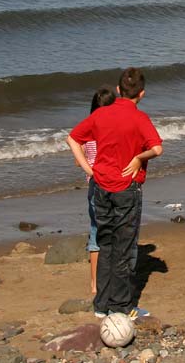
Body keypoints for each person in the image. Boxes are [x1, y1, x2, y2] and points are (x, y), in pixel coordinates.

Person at [66, 67, 162, 318]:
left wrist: (89, 168)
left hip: (101, 186)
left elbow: (73, 139)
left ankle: (101, 305)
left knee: (105, 243)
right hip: (126, 188)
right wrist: (140, 157)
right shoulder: (140, 118)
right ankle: (121, 306)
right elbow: (157, 148)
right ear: (141, 94)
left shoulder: (101, 114)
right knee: (123, 246)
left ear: (119, 90)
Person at [79, 86, 116, 297]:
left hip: (94, 183)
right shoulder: (112, 127)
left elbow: (78, 158)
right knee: (114, 230)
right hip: (112, 181)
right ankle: (110, 278)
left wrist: (89, 170)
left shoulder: (87, 128)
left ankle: (94, 284)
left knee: (96, 230)